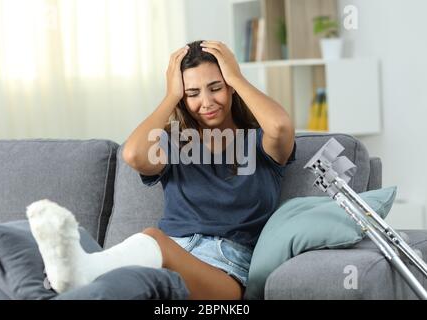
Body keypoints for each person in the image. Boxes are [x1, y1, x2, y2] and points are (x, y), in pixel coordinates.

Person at [26, 40, 296, 300]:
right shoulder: (173, 142)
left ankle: (80, 272)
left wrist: (237, 77)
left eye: (216, 87)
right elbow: (132, 154)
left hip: (224, 268)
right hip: (165, 253)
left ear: (230, 87)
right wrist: (171, 96)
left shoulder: (261, 143)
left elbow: (281, 126)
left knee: (151, 240)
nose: (207, 101)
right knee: (107, 274)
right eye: (192, 93)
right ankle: (76, 274)